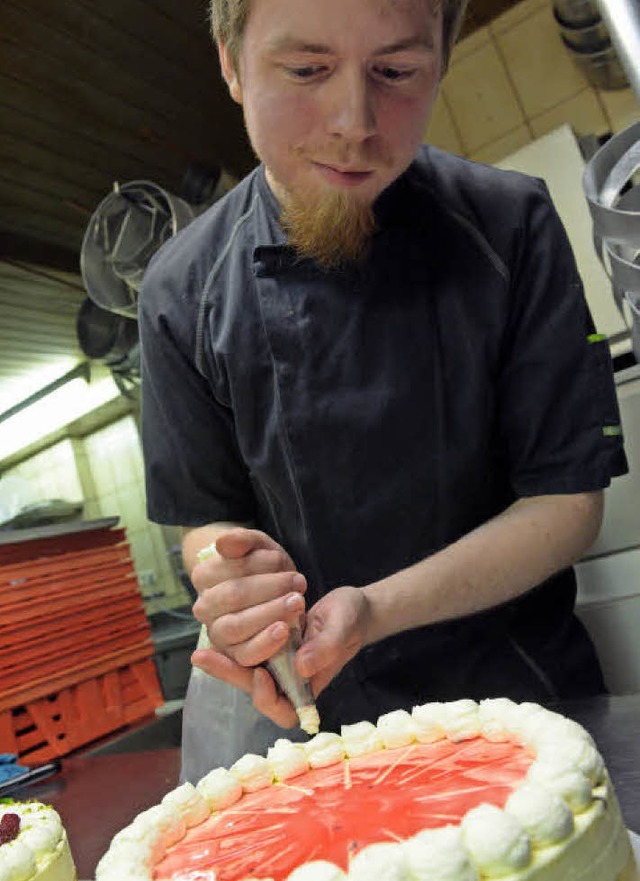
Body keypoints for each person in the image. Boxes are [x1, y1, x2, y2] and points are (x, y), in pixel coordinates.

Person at [138, 0, 628, 782]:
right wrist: (231, 575)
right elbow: (207, 515)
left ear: (441, 59)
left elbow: (567, 502)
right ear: (231, 63)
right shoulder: (178, 290)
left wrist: (375, 611)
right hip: (324, 728)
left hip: (530, 702)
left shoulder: (511, 223)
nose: (353, 123)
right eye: (306, 70)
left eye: (396, 71)